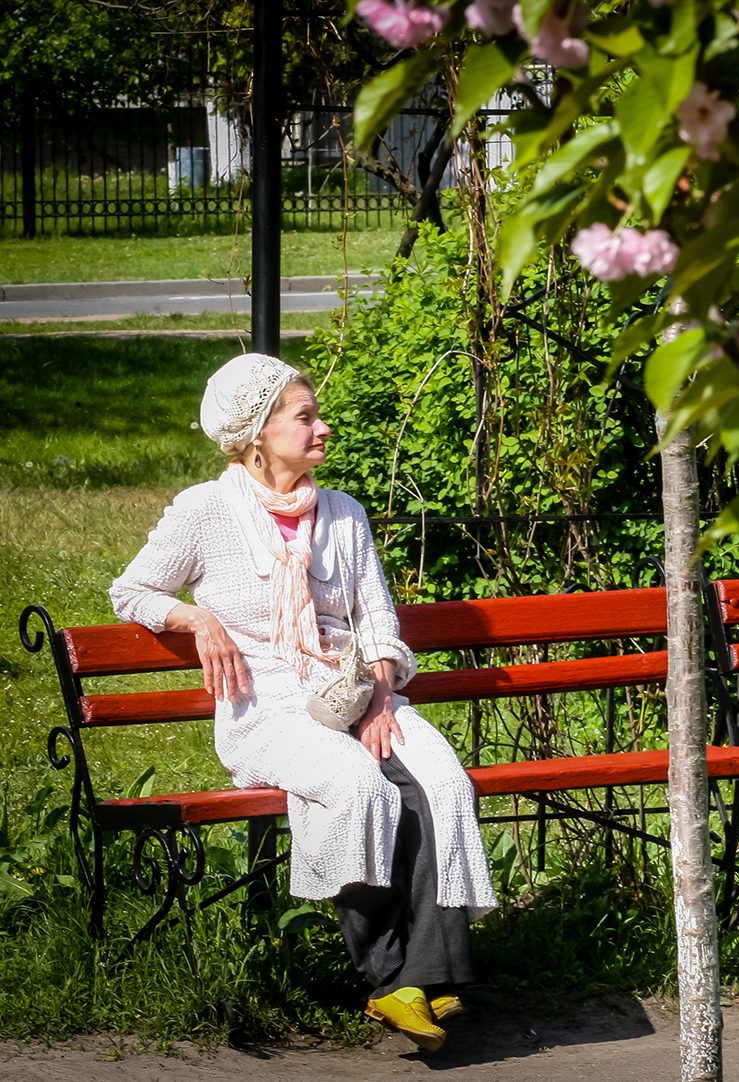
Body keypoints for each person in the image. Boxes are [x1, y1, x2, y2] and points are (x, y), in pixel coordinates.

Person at [110, 353, 496, 1052]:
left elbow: (377, 621)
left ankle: (430, 977)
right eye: (306, 417)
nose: (323, 428)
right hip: (268, 711)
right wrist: (199, 620)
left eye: (317, 415)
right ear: (258, 434)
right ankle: (389, 979)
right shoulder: (206, 510)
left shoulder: (343, 513)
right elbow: (131, 591)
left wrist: (381, 696)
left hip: (354, 693)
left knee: (441, 782)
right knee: (358, 785)